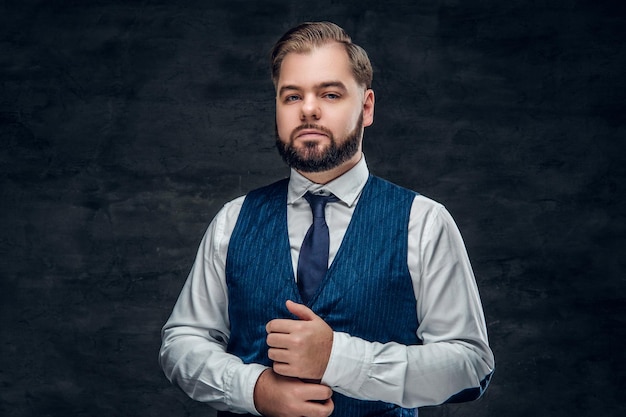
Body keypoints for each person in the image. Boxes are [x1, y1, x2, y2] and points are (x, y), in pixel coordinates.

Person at [159, 21, 495, 417]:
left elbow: (470, 366)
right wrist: (255, 390)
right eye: (291, 96)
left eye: (330, 93)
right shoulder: (232, 220)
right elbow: (182, 341)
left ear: (366, 107)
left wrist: (339, 358)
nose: (308, 109)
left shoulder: (424, 222)